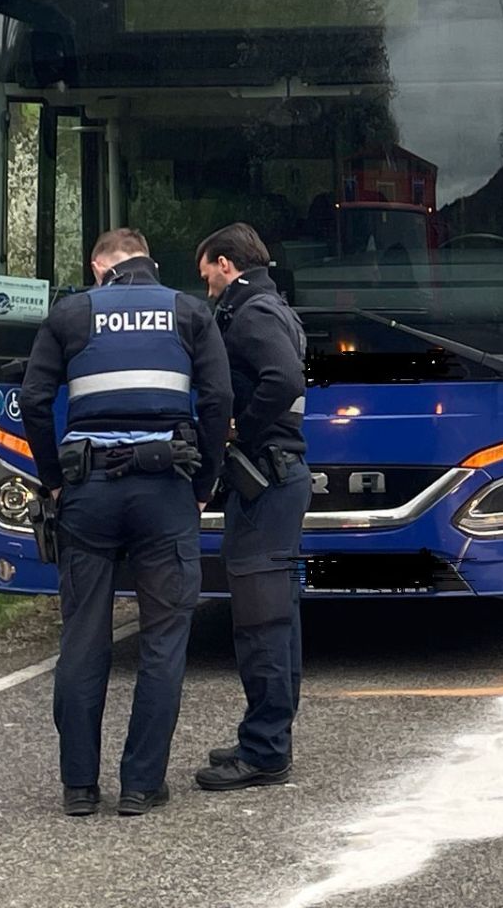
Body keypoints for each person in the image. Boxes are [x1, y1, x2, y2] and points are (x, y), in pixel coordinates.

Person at [19, 228, 230, 818]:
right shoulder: (188, 311)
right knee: (163, 639)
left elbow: (35, 401)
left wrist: (54, 479)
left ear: (99, 267)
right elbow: (217, 400)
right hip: (165, 492)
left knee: (83, 637)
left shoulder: (71, 314)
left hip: (88, 492)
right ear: (148, 262)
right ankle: (141, 785)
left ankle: (79, 788)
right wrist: (202, 485)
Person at [194, 223, 311, 792]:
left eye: (207, 275)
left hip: (265, 482)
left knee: (261, 621)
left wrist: (240, 430)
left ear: (224, 263)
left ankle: (265, 750)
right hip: (277, 483)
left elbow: (284, 378)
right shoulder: (274, 305)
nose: (207, 287)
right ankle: (269, 735)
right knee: (277, 615)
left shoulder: (252, 312)